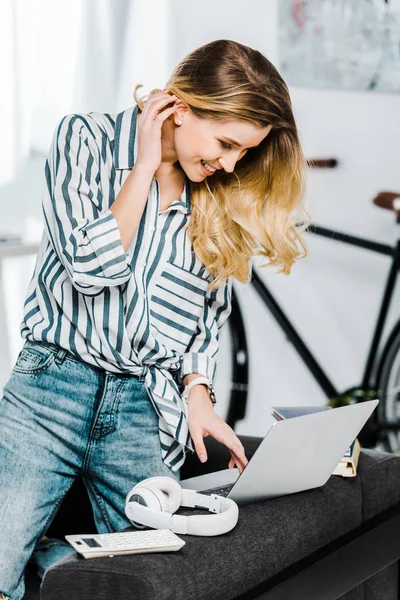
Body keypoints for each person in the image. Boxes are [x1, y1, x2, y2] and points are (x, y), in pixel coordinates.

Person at [0, 38, 310, 599]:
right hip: (51, 388)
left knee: (163, 575)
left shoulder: (211, 194)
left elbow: (206, 309)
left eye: (243, 152)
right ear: (181, 106)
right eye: (226, 143)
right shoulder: (85, 139)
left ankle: (52, 564)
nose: (230, 163)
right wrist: (144, 168)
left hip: (142, 406)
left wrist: (198, 392)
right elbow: (90, 270)